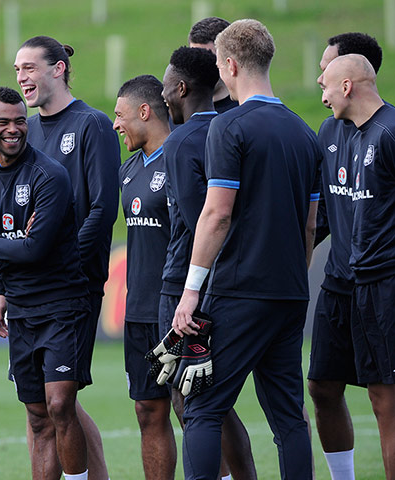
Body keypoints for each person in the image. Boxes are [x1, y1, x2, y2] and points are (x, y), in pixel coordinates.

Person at [171, 19, 322, 479]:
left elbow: (216, 214)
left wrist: (191, 291)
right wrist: (294, 273)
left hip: (238, 291)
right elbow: (311, 225)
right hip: (291, 292)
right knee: (289, 419)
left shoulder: (229, 127)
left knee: (201, 407)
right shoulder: (304, 132)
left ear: (231, 65)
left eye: (219, 64)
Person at [9, 35, 120, 480]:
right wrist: (2, 286)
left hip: (74, 285)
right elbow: (10, 213)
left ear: (58, 69)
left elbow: (103, 209)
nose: (21, 78)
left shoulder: (92, 124)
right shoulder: (26, 130)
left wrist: (69, 262)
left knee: (60, 400)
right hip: (26, 287)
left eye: (29, 68)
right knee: (46, 406)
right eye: (17, 70)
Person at [0, 86, 90, 480]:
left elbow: (36, 250)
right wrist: (10, 249)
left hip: (61, 305)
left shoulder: (49, 176)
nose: (13, 129)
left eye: (20, 120)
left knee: (59, 405)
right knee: (37, 416)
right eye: (3, 122)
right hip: (20, 310)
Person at [160, 46, 256, 480]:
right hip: (227, 282)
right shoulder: (230, 128)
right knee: (217, 400)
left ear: (180, 88)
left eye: (165, 86)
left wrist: (189, 293)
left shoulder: (180, 141)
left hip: (187, 286)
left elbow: (202, 219)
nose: (163, 95)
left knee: (192, 400)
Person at [310, 32, 383, 480]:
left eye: (327, 69)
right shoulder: (328, 130)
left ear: (349, 78)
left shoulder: (387, 133)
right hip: (338, 282)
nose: (320, 78)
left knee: (384, 396)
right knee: (320, 385)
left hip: (382, 285)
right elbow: (320, 217)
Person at [113, 75, 173, 479]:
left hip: (178, 309)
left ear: (144, 111)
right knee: (147, 409)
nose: (116, 124)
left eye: (120, 115)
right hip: (139, 310)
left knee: (197, 411)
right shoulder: (128, 169)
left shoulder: (185, 158)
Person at [188, 17, 238, 114]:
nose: (199, 67)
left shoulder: (243, 115)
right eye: (193, 58)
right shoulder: (177, 115)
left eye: (209, 58)